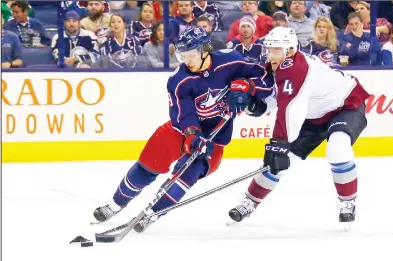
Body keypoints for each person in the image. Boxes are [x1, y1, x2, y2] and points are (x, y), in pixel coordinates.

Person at [91, 27, 275, 233]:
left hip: (216, 137)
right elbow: (184, 115)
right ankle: (115, 205)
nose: (187, 60)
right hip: (181, 132)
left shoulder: (232, 61)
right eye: (183, 55)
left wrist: (248, 87)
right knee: (147, 167)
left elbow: (267, 80)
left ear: (205, 50)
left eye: (191, 55)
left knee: (189, 173)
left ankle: (153, 213)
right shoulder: (179, 80)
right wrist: (193, 136)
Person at [226, 26, 370, 226]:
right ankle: (249, 202)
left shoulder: (298, 68)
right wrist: (250, 105)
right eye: (269, 50)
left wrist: (279, 144)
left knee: (338, 147)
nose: (271, 55)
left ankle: (347, 202)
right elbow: (271, 101)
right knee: (276, 164)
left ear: (290, 50)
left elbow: (290, 109)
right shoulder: (276, 68)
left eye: (276, 50)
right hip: (313, 118)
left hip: (346, 106)